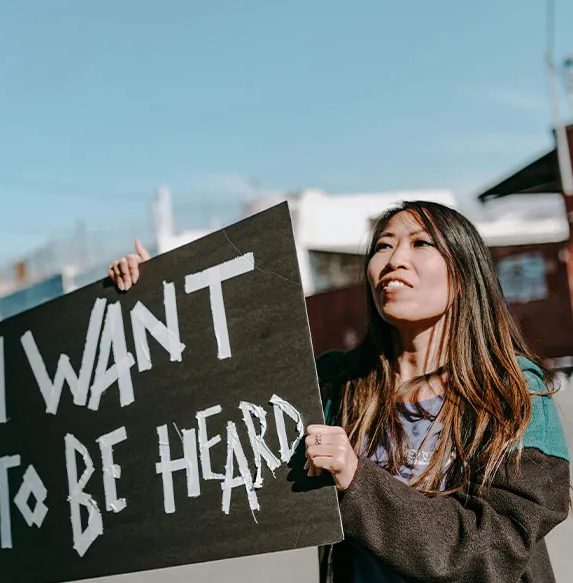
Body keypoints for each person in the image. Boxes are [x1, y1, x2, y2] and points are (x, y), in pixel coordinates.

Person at [109, 201, 570, 582]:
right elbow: (216, 399)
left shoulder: (512, 390)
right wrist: (155, 302)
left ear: (464, 270)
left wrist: (356, 477)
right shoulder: (335, 382)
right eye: (382, 247)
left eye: (420, 243)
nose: (393, 261)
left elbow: (492, 549)